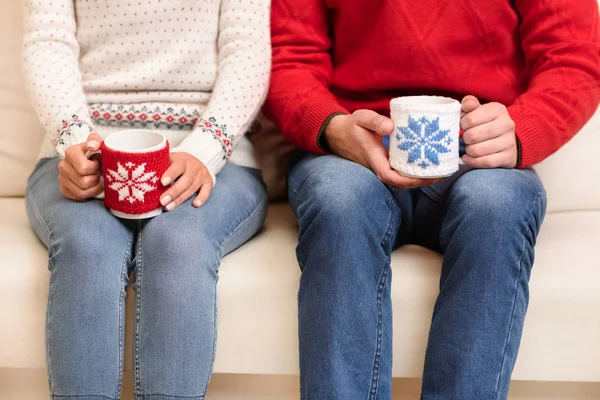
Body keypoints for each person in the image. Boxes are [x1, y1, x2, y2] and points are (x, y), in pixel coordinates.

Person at [264, 0, 600, 398]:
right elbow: (286, 56)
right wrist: (331, 124)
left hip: (477, 149)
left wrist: (522, 130)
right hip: (349, 144)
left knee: (498, 206)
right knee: (339, 202)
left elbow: (574, 57)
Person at [23, 1, 270, 399]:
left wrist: (204, 152)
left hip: (215, 156)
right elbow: (47, 43)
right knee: (88, 245)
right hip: (82, 151)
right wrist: (76, 143)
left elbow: (246, 49)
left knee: (177, 241)